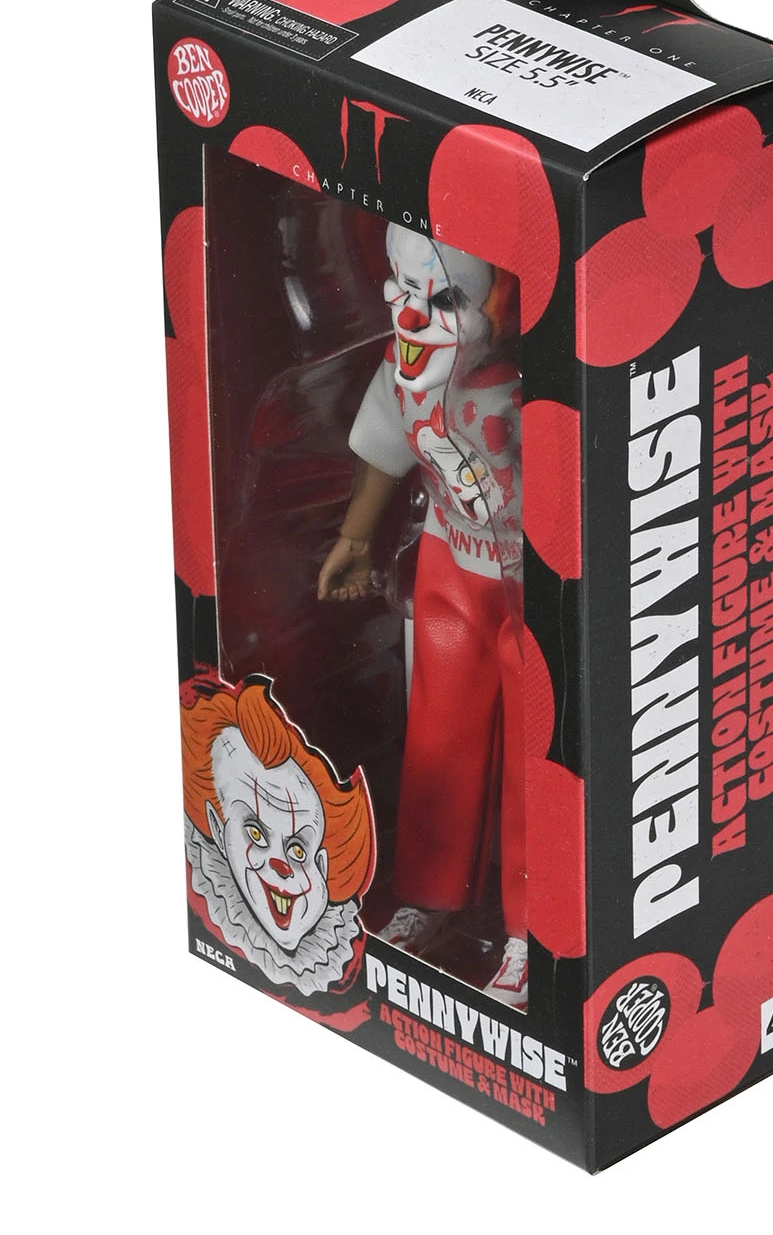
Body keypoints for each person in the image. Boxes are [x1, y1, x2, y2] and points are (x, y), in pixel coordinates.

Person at [317, 223, 528, 1008]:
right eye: (404, 291)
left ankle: (531, 930)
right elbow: (386, 447)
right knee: (439, 734)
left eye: (441, 301)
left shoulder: (527, 389)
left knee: (536, 758)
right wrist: (354, 537)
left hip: (533, 583)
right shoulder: (406, 370)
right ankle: (430, 897)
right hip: (450, 562)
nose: (411, 316)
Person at [182, 675, 375, 997]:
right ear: (217, 829)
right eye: (255, 833)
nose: (281, 866)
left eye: (298, 850)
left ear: (323, 865)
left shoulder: (348, 974)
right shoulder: (204, 917)